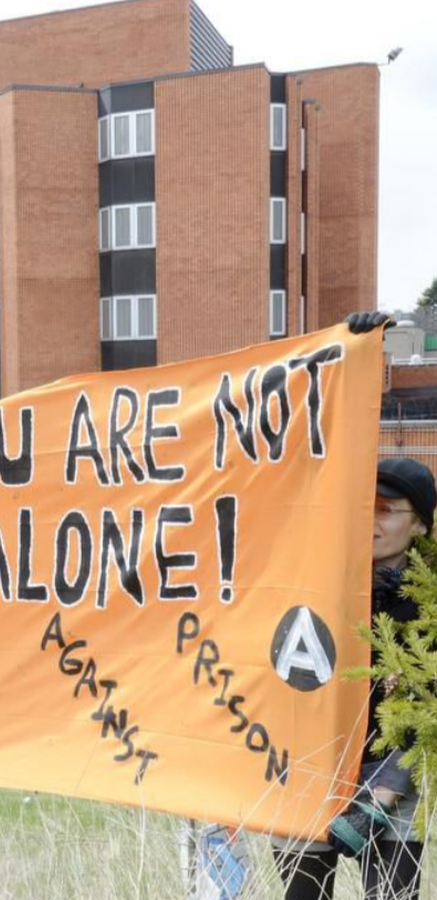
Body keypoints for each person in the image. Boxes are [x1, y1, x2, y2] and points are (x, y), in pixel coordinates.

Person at [272, 313, 432, 899]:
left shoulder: (429, 606)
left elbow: (430, 711)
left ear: (421, 525)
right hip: (309, 774)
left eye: (387, 510)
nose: (372, 519)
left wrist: (380, 798)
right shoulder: (318, 582)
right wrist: (351, 353)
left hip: (393, 790)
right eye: (365, 505)